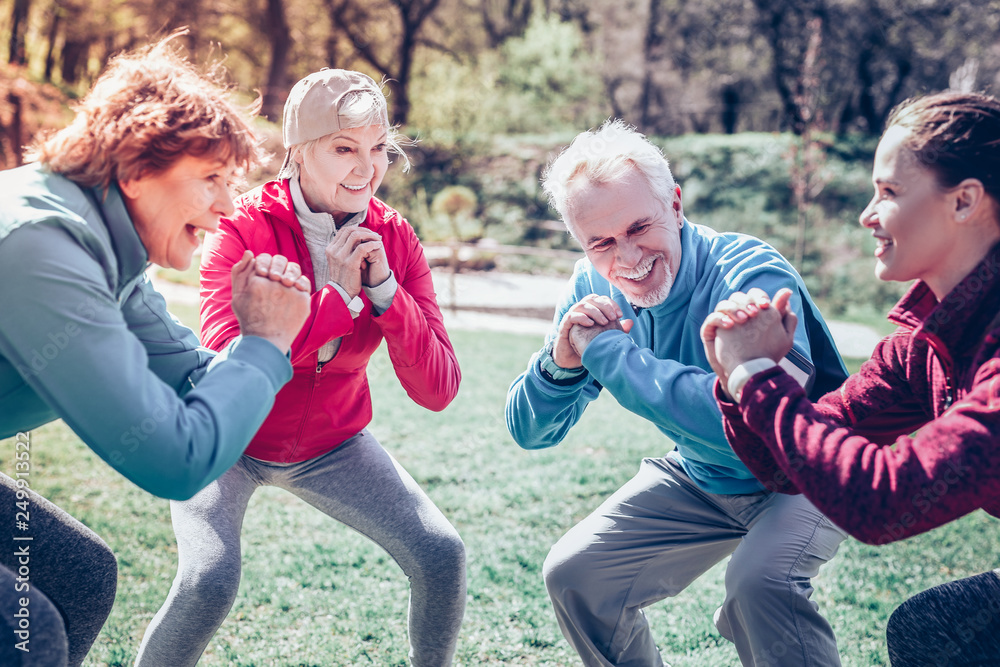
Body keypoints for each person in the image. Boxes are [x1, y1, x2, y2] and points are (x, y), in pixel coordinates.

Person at [135, 68, 466, 666]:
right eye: (344, 149)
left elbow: (439, 388)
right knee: (208, 579)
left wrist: (388, 295)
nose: (366, 169)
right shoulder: (242, 228)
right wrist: (335, 304)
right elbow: (223, 369)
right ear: (299, 152)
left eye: (378, 150)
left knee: (441, 555)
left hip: (334, 444)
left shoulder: (395, 238)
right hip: (225, 438)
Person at [0, 35, 310, 666]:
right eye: (212, 179)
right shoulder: (42, 244)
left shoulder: (108, 247)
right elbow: (173, 459)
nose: (229, 208)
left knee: (80, 578)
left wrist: (276, 344)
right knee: (27, 636)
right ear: (137, 169)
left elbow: (195, 375)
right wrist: (264, 345)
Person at [505, 119, 850, 666]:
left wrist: (606, 353)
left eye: (640, 226)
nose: (628, 256)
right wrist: (560, 361)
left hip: (804, 474)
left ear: (676, 204)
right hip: (703, 476)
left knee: (760, 586)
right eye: (601, 242)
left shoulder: (749, 274)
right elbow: (529, 431)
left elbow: (756, 425)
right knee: (577, 574)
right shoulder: (591, 286)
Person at [701, 92, 1000, 666]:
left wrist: (759, 378)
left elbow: (885, 501)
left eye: (888, 192)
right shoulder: (925, 345)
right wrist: (741, 383)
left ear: (964, 201)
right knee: (934, 632)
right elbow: (784, 468)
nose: (866, 214)